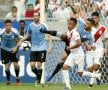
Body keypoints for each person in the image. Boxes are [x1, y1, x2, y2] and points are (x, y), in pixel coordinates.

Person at [62, 18, 101, 90]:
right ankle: (68, 87)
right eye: (85, 23)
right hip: (73, 52)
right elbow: (76, 15)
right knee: (64, 67)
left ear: (92, 25)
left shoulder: (90, 35)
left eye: (88, 24)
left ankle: (97, 75)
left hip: (79, 54)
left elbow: (90, 46)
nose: (85, 24)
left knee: (80, 73)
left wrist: (91, 47)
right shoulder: (80, 25)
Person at [16, 12, 52, 85]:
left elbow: (49, 35)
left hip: (42, 48)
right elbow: (27, 35)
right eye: (34, 16)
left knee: (39, 65)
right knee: (32, 65)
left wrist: (50, 46)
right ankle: (39, 76)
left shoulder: (43, 25)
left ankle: (38, 82)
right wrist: (20, 41)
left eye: (36, 16)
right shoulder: (30, 26)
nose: (35, 17)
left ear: (39, 16)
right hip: (33, 48)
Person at [87, 12, 108, 87]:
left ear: (98, 18)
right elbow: (85, 38)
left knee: (95, 66)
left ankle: (91, 84)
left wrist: (106, 48)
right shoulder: (89, 27)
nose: (94, 19)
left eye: (96, 18)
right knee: (90, 69)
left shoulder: (103, 28)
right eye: (93, 18)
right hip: (90, 50)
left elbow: (106, 39)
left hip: (99, 49)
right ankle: (97, 76)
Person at [0, 19, 21, 85]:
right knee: (6, 67)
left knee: (16, 65)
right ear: (4, 26)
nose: (8, 26)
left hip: (13, 49)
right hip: (4, 50)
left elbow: (19, 41)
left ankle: (17, 78)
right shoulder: (1, 32)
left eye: (9, 25)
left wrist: (16, 48)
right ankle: (8, 80)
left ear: (11, 25)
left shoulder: (15, 32)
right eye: (7, 25)